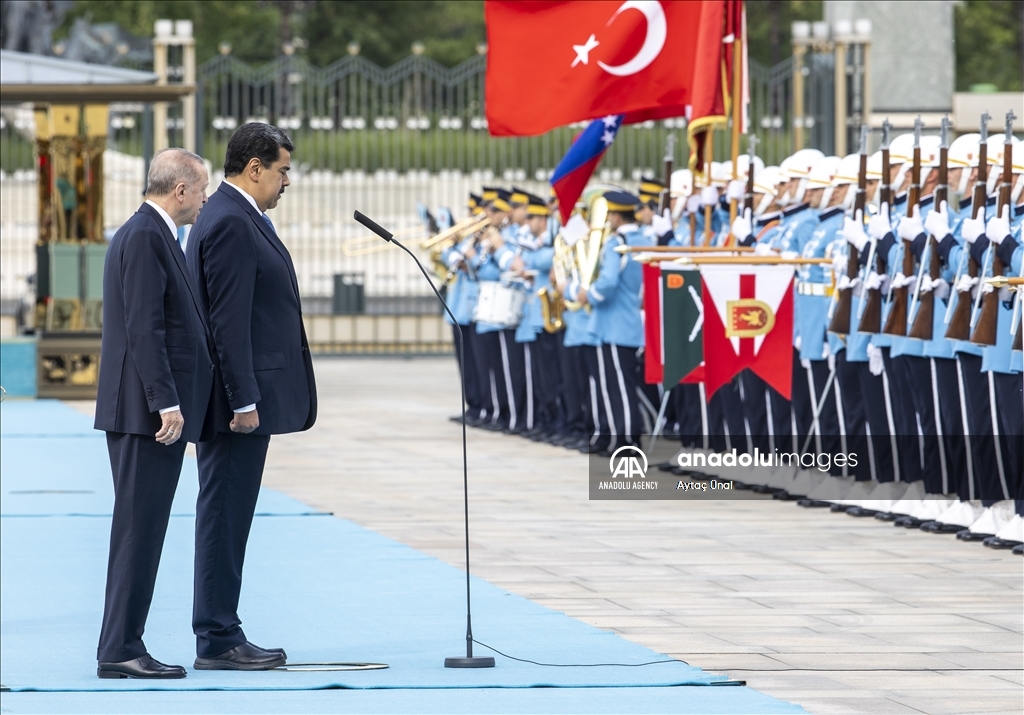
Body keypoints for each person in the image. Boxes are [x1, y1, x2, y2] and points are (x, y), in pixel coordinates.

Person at [186, 122, 317, 670]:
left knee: (230, 512)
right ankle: (218, 636)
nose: (287, 181)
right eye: (282, 170)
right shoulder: (231, 221)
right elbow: (227, 321)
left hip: (240, 400)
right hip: (233, 406)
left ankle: (220, 628)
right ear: (255, 168)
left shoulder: (237, 216)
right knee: (224, 513)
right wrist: (243, 401)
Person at [94, 148, 212, 679]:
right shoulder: (146, 235)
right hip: (146, 414)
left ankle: (122, 643)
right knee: (138, 532)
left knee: (141, 530)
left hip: (143, 410)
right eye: (203, 190)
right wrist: (166, 401)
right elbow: (145, 326)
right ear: (181, 190)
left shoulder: (150, 232)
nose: (205, 200)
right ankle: (120, 648)